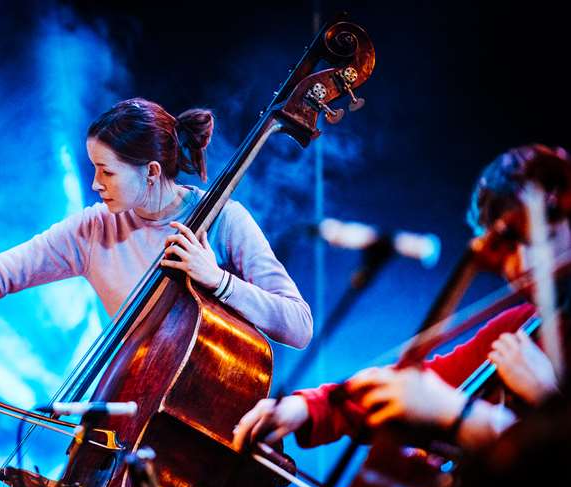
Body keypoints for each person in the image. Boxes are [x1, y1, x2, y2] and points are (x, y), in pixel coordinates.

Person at [0, 97, 313, 387]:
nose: (95, 184)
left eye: (107, 172)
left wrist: (220, 283)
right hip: (129, 416)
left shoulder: (225, 220)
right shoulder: (95, 229)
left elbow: (299, 325)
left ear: (151, 172)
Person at [233, 143, 570, 453]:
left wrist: (544, 401)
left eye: (545, 237)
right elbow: (415, 383)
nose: (524, 265)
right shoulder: (522, 327)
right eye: (507, 248)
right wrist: (306, 407)